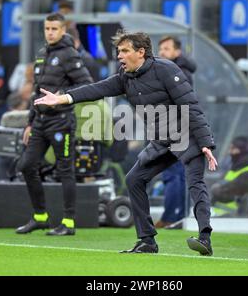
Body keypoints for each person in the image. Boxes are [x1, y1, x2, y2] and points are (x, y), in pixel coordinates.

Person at [35, 30, 218, 256]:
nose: (119, 56)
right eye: (118, 51)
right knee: (134, 179)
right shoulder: (125, 77)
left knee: (195, 182)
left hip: (186, 136)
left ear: (141, 52)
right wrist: (61, 98)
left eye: (124, 51)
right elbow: (96, 89)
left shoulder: (166, 69)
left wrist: (205, 143)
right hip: (161, 140)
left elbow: (191, 105)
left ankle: (204, 238)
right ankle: (147, 241)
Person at [15, 13, 93, 236]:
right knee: (27, 166)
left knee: (64, 170)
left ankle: (68, 222)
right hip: (39, 122)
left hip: (61, 122)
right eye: (47, 28)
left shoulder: (70, 55)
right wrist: (30, 123)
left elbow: (86, 84)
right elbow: (35, 92)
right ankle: (40, 217)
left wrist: (61, 96)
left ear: (63, 31)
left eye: (54, 29)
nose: (49, 32)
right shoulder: (41, 55)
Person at [155, 36, 198, 229]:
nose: (162, 52)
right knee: (178, 174)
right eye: (161, 49)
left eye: (166, 49)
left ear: (177, 52)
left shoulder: (178, 72)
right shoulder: (179, 70)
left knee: (171, 174)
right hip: (176, 126)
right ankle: (177, 215)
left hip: (173, 126)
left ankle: (171, 217)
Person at [209, 136, 248, 217]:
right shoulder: (238, 169)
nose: (229, 152)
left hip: (235, 220)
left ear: (243, 151)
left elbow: (224, 192)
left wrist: (215, 188)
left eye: (233, 148)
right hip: (225, 218)